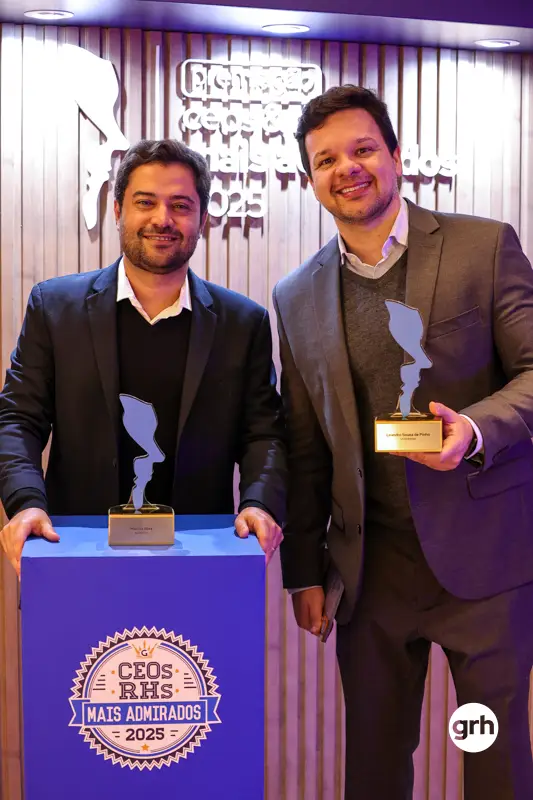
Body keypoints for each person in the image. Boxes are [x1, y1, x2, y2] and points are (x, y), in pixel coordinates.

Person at [273, 84, 533, 799]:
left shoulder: (483, 247)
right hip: (370, 573)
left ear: (394, 154)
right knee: (376, 765)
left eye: (362, 149)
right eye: (326, 159)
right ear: (310, 178)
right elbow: (305, 445)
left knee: (492, 756)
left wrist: (473, 430)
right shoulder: (295, 296)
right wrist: (303, 571)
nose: (347, 169)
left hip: (485, 566)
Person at [0, 139, 286, 576]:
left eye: (181, 205)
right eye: (145, 202)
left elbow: (263, 434)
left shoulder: (243, 322)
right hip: (76, 554)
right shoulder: (55, 308)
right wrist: (25, 503)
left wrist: (259, 503)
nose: (162, 219)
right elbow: (19, 419)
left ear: (203, 219)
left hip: (201, 560)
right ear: (118, 210)